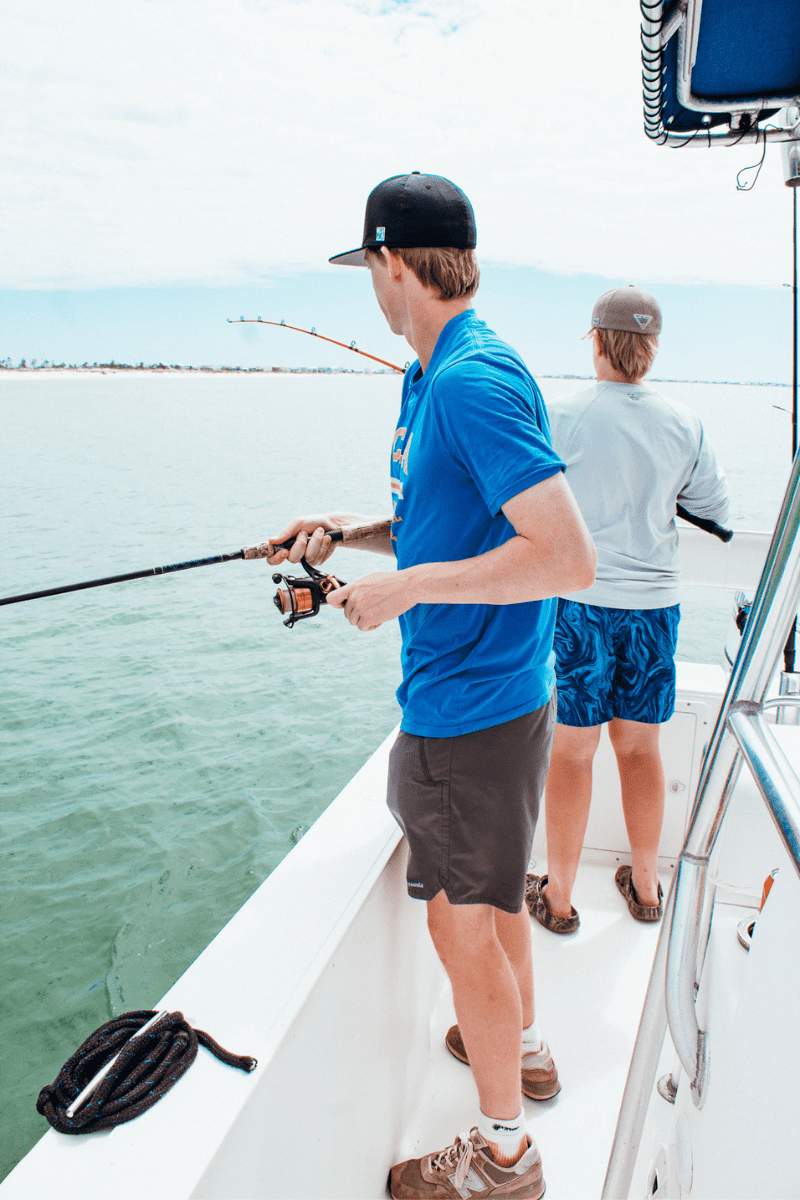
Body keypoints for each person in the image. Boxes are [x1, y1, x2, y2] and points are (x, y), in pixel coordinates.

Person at [266, 172, 596, 1200]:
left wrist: (402, 590)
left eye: (369, 266)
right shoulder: (432, 374)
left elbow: (565, 558)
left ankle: (502, 1157)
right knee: (491, 911)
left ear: (391, 264)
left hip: (468, 712)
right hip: (488, 700)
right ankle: (527, 1051)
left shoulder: (468, 380)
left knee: (462, 932)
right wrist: (347, 531)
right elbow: (452, 514)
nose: (369, 284)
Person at [527, 286, 729, 936]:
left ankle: (558, 900)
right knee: (640, 748)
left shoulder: (562, 415)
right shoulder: (685, 422)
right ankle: (645, 886)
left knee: (573, 754)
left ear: (595, 339)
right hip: (653, 610)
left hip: (582, 605)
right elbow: (717, 514)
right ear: (652, 346)